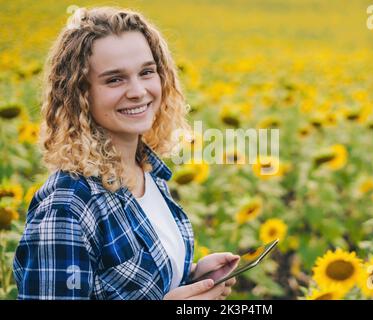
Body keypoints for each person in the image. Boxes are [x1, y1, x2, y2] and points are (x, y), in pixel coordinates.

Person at [13, 6, 239, 300]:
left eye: (146, 72)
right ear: (79, 93)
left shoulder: (147, 172)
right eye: (114, 79)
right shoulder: (67, 207)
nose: (138, 91)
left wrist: (194, 277)